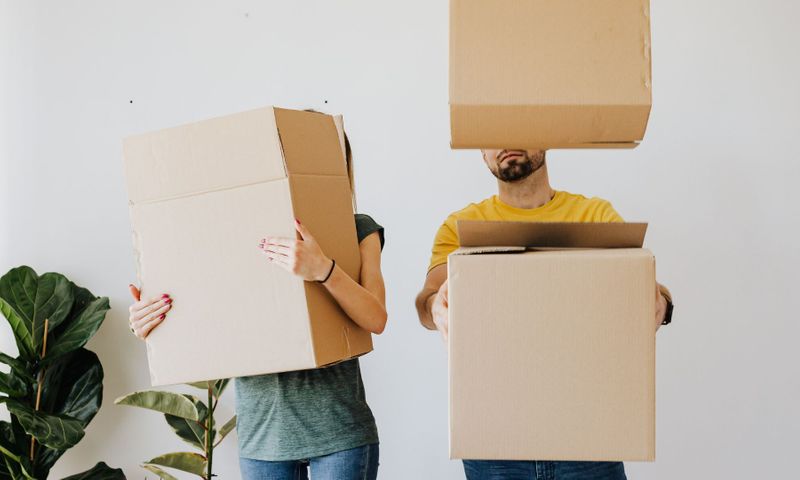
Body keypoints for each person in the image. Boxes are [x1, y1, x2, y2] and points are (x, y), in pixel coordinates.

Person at [128, 127, 387, 480]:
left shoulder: (358, 228)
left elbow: (376, 318)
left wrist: (323, 269)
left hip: (339, 433)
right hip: (263, 439)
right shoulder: (231, 231)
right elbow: (204, 310)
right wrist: (153, 322)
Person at [415, 149, 673, 480]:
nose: (506, 140)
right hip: (495, 441)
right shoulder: (460, 228)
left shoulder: (592, 215)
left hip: (589, 436)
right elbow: (428, 299)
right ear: (481, 153)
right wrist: (435, 305)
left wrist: (661, 302)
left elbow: (641, 283)